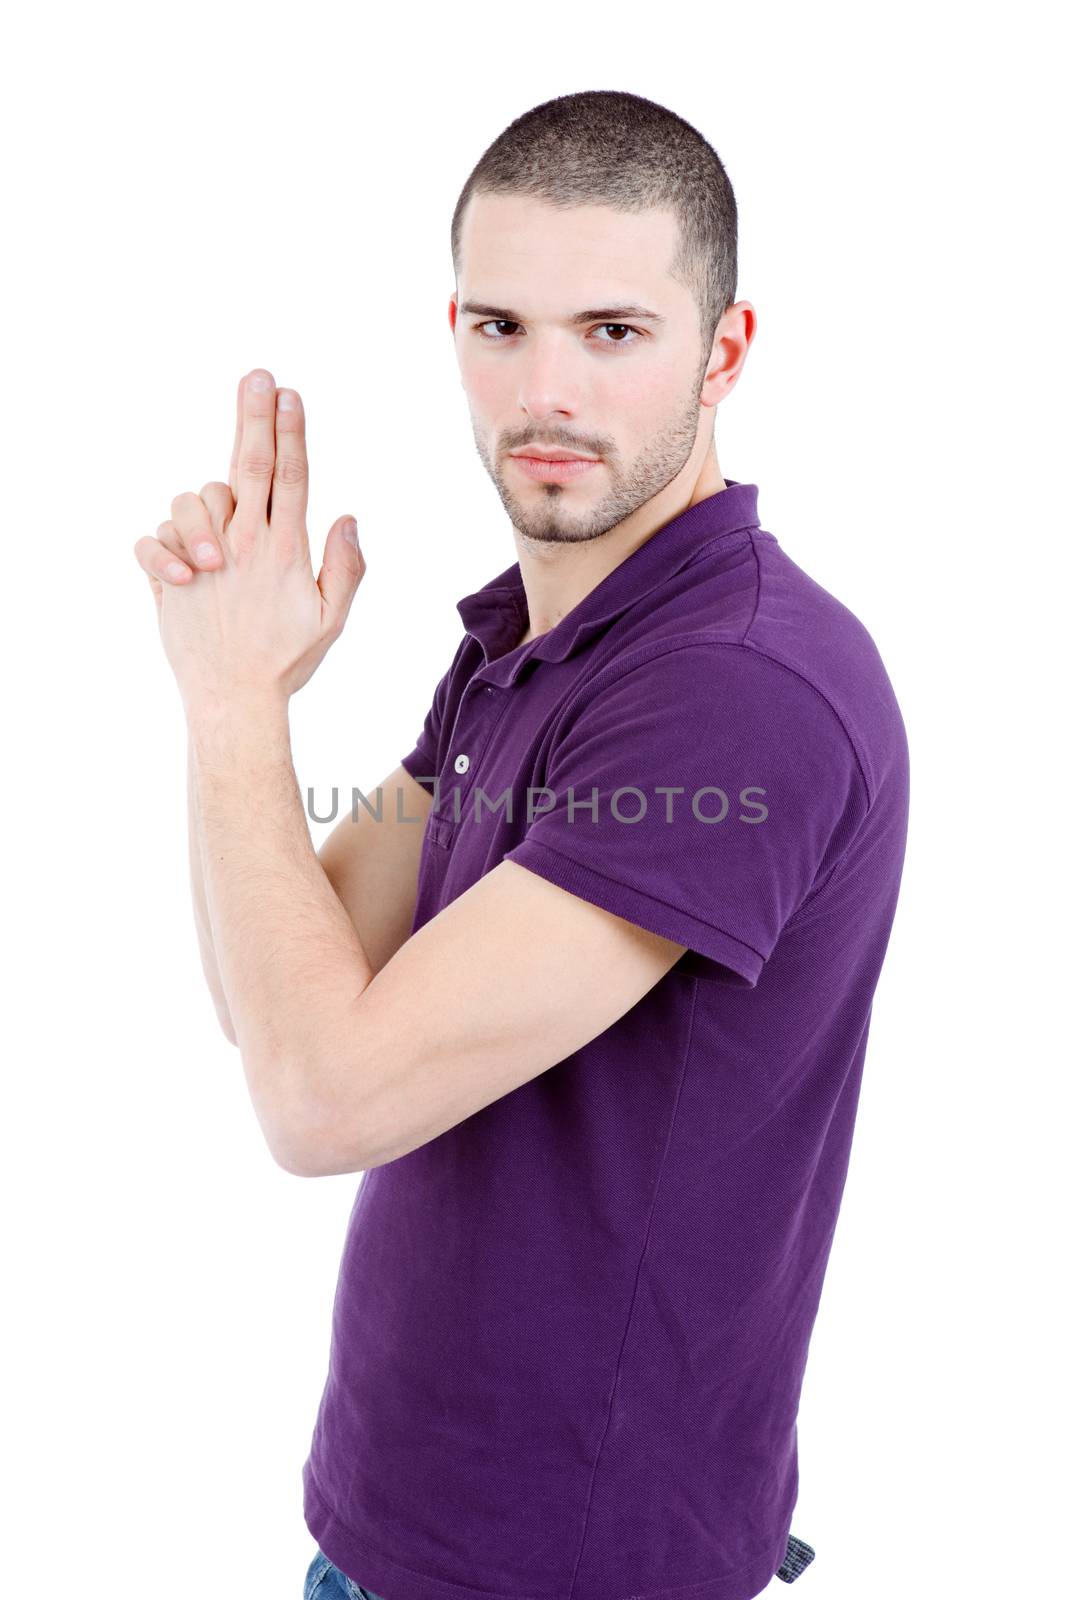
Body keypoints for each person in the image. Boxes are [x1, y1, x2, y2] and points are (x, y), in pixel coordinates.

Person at [136, 89, 908, 1600]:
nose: (545, 391)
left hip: (563, 1567)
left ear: (724, 351)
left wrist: (232, 709)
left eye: (612, 333)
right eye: (501, 328)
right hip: (396, 1528)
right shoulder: (536, 643)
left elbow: (317, 1099)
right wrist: (243, 698)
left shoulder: (734, 695)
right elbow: (268, 995)